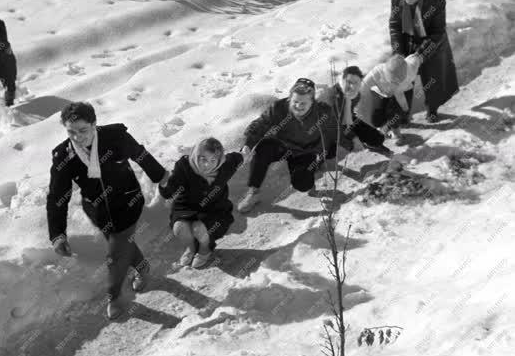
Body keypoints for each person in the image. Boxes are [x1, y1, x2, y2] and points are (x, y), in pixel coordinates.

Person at [46, 102, 169, 320]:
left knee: (116, 253)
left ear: (94, 124)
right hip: (98, 211)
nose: (77, 137)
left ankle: (114, 297)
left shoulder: (115, 137)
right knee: (123, 244)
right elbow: (57, 197)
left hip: (128, 203)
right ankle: (143, 268)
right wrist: (57, 234)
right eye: (71, 132)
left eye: (83, 130)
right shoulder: (63, 157)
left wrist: (162, 177)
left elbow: (140, 155)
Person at [238, 78, 341, 213]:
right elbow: (259, 125)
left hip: (305, 151)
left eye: (303, 103)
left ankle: (312, 172)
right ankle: (253, 192)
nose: (298, 106)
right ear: (289, 99)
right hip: (282, 145)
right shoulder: (279, 107)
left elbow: (333, 132)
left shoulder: (323, 112)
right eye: (295, 102)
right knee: (263, 148)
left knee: (303, 185)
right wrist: (248, 145)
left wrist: (322, 154)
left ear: (312, 102)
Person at [159, 138, 243, 269]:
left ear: (219, 160)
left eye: (212, 160)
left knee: (199, 228)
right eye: (203, 159)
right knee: (180, 228)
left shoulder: (225, 166)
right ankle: (192, 248)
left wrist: (245, 152)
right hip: (186, 207)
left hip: (214, 210)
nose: (207, 165)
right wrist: (165, 185)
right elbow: (170, 190)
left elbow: (238, 158)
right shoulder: (184, 166)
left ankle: (205, 249)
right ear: (196, 155)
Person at [389, 0, 459, 122]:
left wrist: (420, 55)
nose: (407, 2)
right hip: (408, 40)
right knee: (403, 78)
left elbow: (437, 32)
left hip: (432, 43)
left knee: (432, 78)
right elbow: (395, 25)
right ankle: (402, 116)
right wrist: (398, 53)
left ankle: (432, 110)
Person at [320, 65, 390, 154]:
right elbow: (335, 126)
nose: (352, 86)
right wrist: (353, 139)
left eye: (356, 82)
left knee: (377, 137)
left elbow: (350, 116)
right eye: (349, 82)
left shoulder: (356, 94)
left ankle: (371, 143)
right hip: (329, 126)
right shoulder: (334, 97)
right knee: (330, 152)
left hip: (345, 120)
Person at [357, 53, 421, 144]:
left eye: (398, 81)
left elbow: (414, 59)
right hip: (381, 92)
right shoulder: (377, 72)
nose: (394, 84)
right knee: (376, 119)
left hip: (404, 90)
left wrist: (405, 107)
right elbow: (363, 86)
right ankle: (382, 128)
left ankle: (397, 134)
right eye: (393, 81)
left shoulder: (410, 70)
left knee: (395, 113)